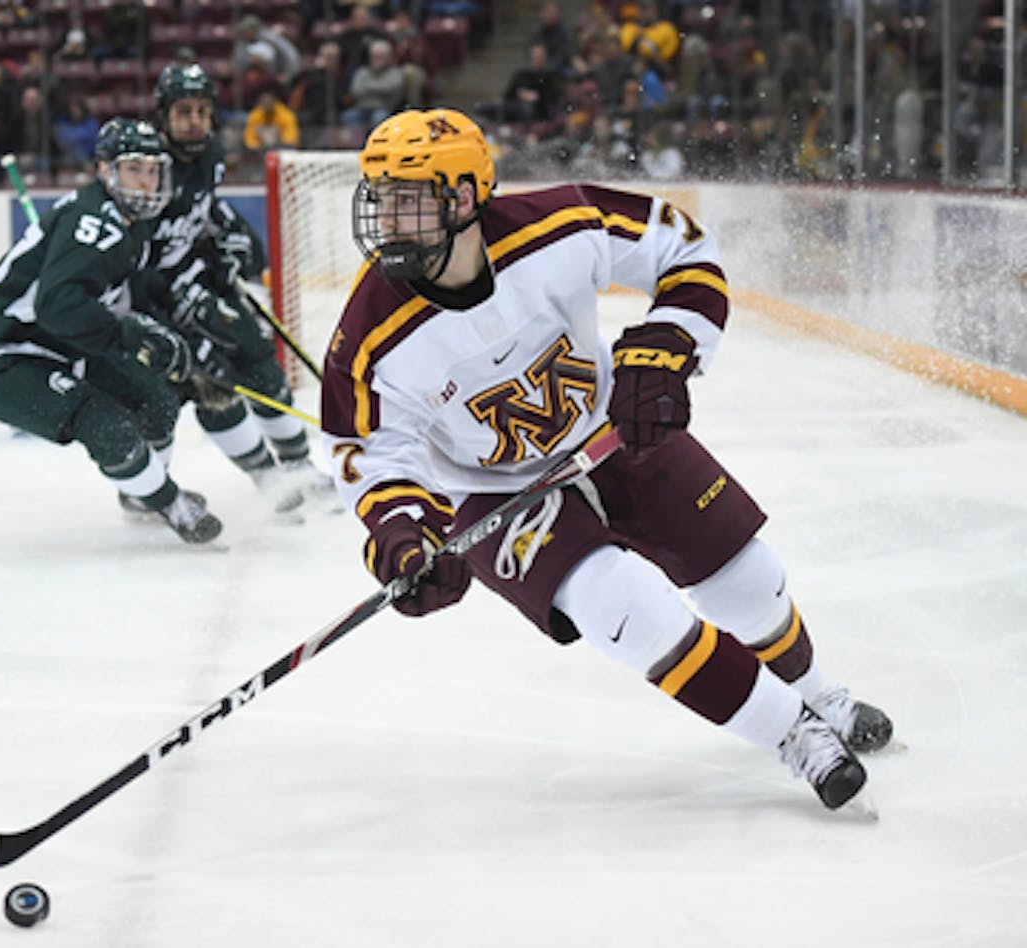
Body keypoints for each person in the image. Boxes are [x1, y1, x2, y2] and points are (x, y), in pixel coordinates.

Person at [322, 108, 894, 811]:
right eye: (378, 197)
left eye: (406, 199)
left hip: (607, 431)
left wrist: (664, 347)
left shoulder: (560, 222)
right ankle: (792, 734)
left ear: (465, 197)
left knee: (750, 581)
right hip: (495, 492)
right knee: (625, 609)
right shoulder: (367, 333)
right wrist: (405, 534)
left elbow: (684, 252)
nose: (384, 218)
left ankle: (816, 694)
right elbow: (371, 455)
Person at [0, 117, 222, 545]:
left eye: (153, 169)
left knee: (156, 397)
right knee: (106, 425)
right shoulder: (94, 222)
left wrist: (157, 330)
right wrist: (129, 335)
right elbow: (57, 307)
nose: (146, 181)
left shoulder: (128, 224)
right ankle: (168, 501)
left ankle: (141, 494)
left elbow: (120, 294)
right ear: (105, 170)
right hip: (4, 356)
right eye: (134, 168)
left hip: (62, 341)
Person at [142, 62, 334, 519]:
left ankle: (297, 465)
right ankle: (261, 479)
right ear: (162, 115)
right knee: (210, 384)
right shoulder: (148, 169)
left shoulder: (207, 156)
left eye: (203, 111)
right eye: (184, 111)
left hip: (198, 286)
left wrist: (233, 242)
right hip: (155, 303)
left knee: (261, 362)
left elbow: (207, 212)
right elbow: (132, 255)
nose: (195, 121)